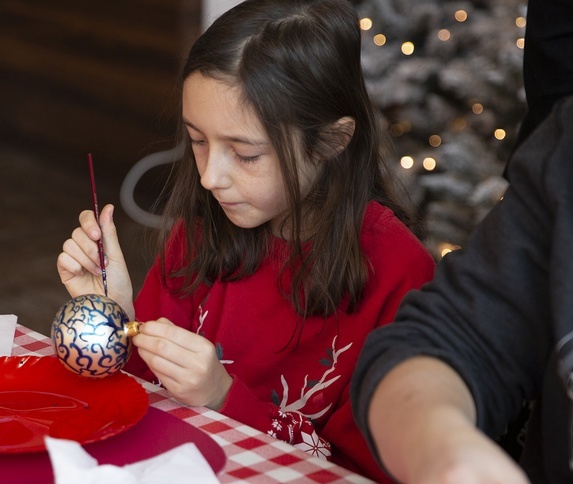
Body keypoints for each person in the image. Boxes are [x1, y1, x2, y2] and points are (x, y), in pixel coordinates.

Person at [57, 0, 434, 480]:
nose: (212, 177)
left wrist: (223, 398)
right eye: (197, 140)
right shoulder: (202, 231)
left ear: (332, 142)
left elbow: (367, 471)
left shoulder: (400, 272)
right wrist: (118, 323)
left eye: (246, 154)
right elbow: (147, 400)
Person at [350, 0, 573, 481]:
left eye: (245, 154)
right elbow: (442, 342)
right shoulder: (563, 156)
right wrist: (442, 449)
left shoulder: (384, 253)